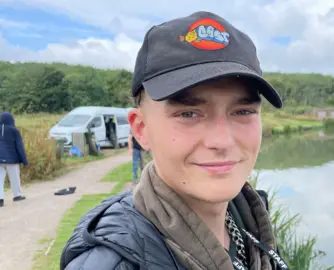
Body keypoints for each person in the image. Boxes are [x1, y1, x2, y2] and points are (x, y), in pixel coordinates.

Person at [60, 11, 289, 270]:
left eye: (242, 112)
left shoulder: (248, 216)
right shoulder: (111, 264)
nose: (222, 141)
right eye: (188, 114)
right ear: (142, 129)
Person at [0, 112, 28, 207]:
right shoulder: (14, 131)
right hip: (12, 159)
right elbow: (20, 146)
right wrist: (24, 160)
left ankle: (0, 199)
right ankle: (17, 195)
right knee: (15, 177)